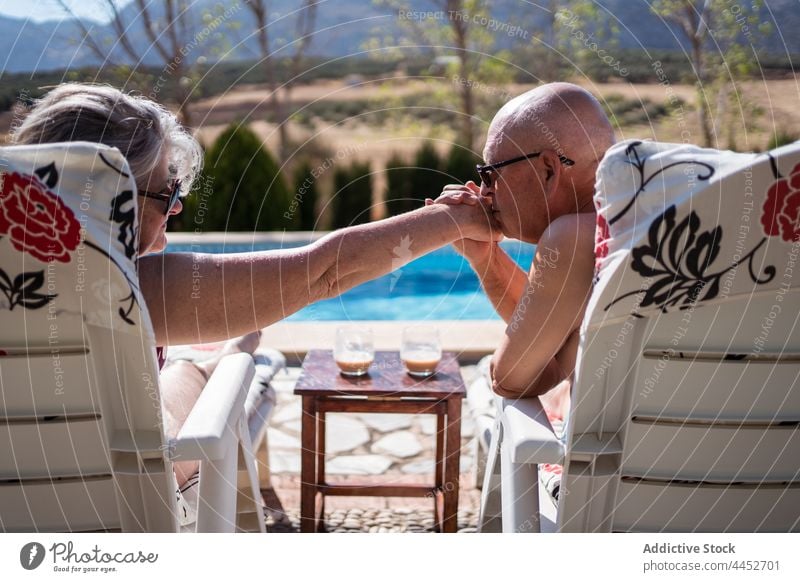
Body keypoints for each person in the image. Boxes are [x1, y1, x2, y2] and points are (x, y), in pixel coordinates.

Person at [12, 83, 500, 486]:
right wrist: (451, 221)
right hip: (120, 488)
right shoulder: (130, 289)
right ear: (113, 197)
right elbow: (325, 269)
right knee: (230, 353)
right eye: (167, 193)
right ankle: (212, 361)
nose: (177, 208)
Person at [431, 82, 615, 414]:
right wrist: (484, 255)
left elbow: (513, 379)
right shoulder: (657, 217)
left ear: (547, 170)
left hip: (615, 462)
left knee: (486, 395)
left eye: (490, 174)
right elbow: (545, 343)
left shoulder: (572, 237)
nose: (486, 193)